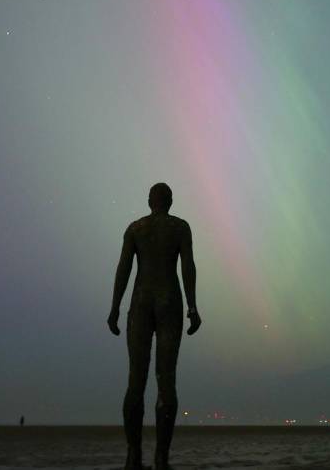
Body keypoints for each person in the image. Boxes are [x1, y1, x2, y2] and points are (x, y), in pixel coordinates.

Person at [107, 182, 202, 470]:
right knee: (166, 379)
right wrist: (193, 306)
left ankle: (133, 455)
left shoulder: (136, 228)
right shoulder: (180, 228)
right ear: (170, 201)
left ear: (150, 201)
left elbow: (123, 269)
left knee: (136, 380)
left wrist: (114, 307)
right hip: (169, 301)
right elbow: (188, 267)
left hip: (140, 302)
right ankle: (161, 457)